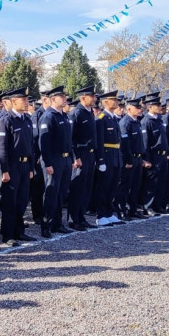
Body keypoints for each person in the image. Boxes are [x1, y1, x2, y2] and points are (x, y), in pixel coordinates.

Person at [0, 88, 36, 243]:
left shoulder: (26, 119)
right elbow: (1, 148)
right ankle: (8, 235)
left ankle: (19, 231)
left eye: (27, 100)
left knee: (22, 200)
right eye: (23, 100)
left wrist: (31, 167)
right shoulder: (6, 120)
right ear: (14, 102)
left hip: (25, 166)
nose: (27, 102)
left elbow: (30, 146)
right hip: (12, 166)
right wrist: (5, 170)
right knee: (10, 201)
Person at [39, 86, 75, 236]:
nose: (65, 98)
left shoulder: (63, 116)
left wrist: (71, 158)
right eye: (62, 96)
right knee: (51, 193)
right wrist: (48, 163)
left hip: (65, 159)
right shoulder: (49, 116)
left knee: (61, 193)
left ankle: (57, 223)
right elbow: (44, 143)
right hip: (53, 159)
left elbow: (68, 140)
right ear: (53, 99)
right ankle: (46, 225)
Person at [67, 85, 98, 229]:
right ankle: (74, 219)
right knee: (77, 187)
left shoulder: (89, 112)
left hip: (90, 154)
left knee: (86, 187)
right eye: (92, 96)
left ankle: (81, 216)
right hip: (81, 154)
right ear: (83, 97)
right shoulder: (76, 113)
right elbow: (71, 138)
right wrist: (75, 157)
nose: (95, 99)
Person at [94, 91, 123, 226]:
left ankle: (109, 212)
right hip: (106, 156)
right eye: (113, 100)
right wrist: (100, 160)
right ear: (105, 102)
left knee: (113, 186)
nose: (116, 102)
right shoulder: (101, 118)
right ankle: (101, 215)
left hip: (115, 155)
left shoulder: (113, 118)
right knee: (103, 187)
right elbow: (99, 142)